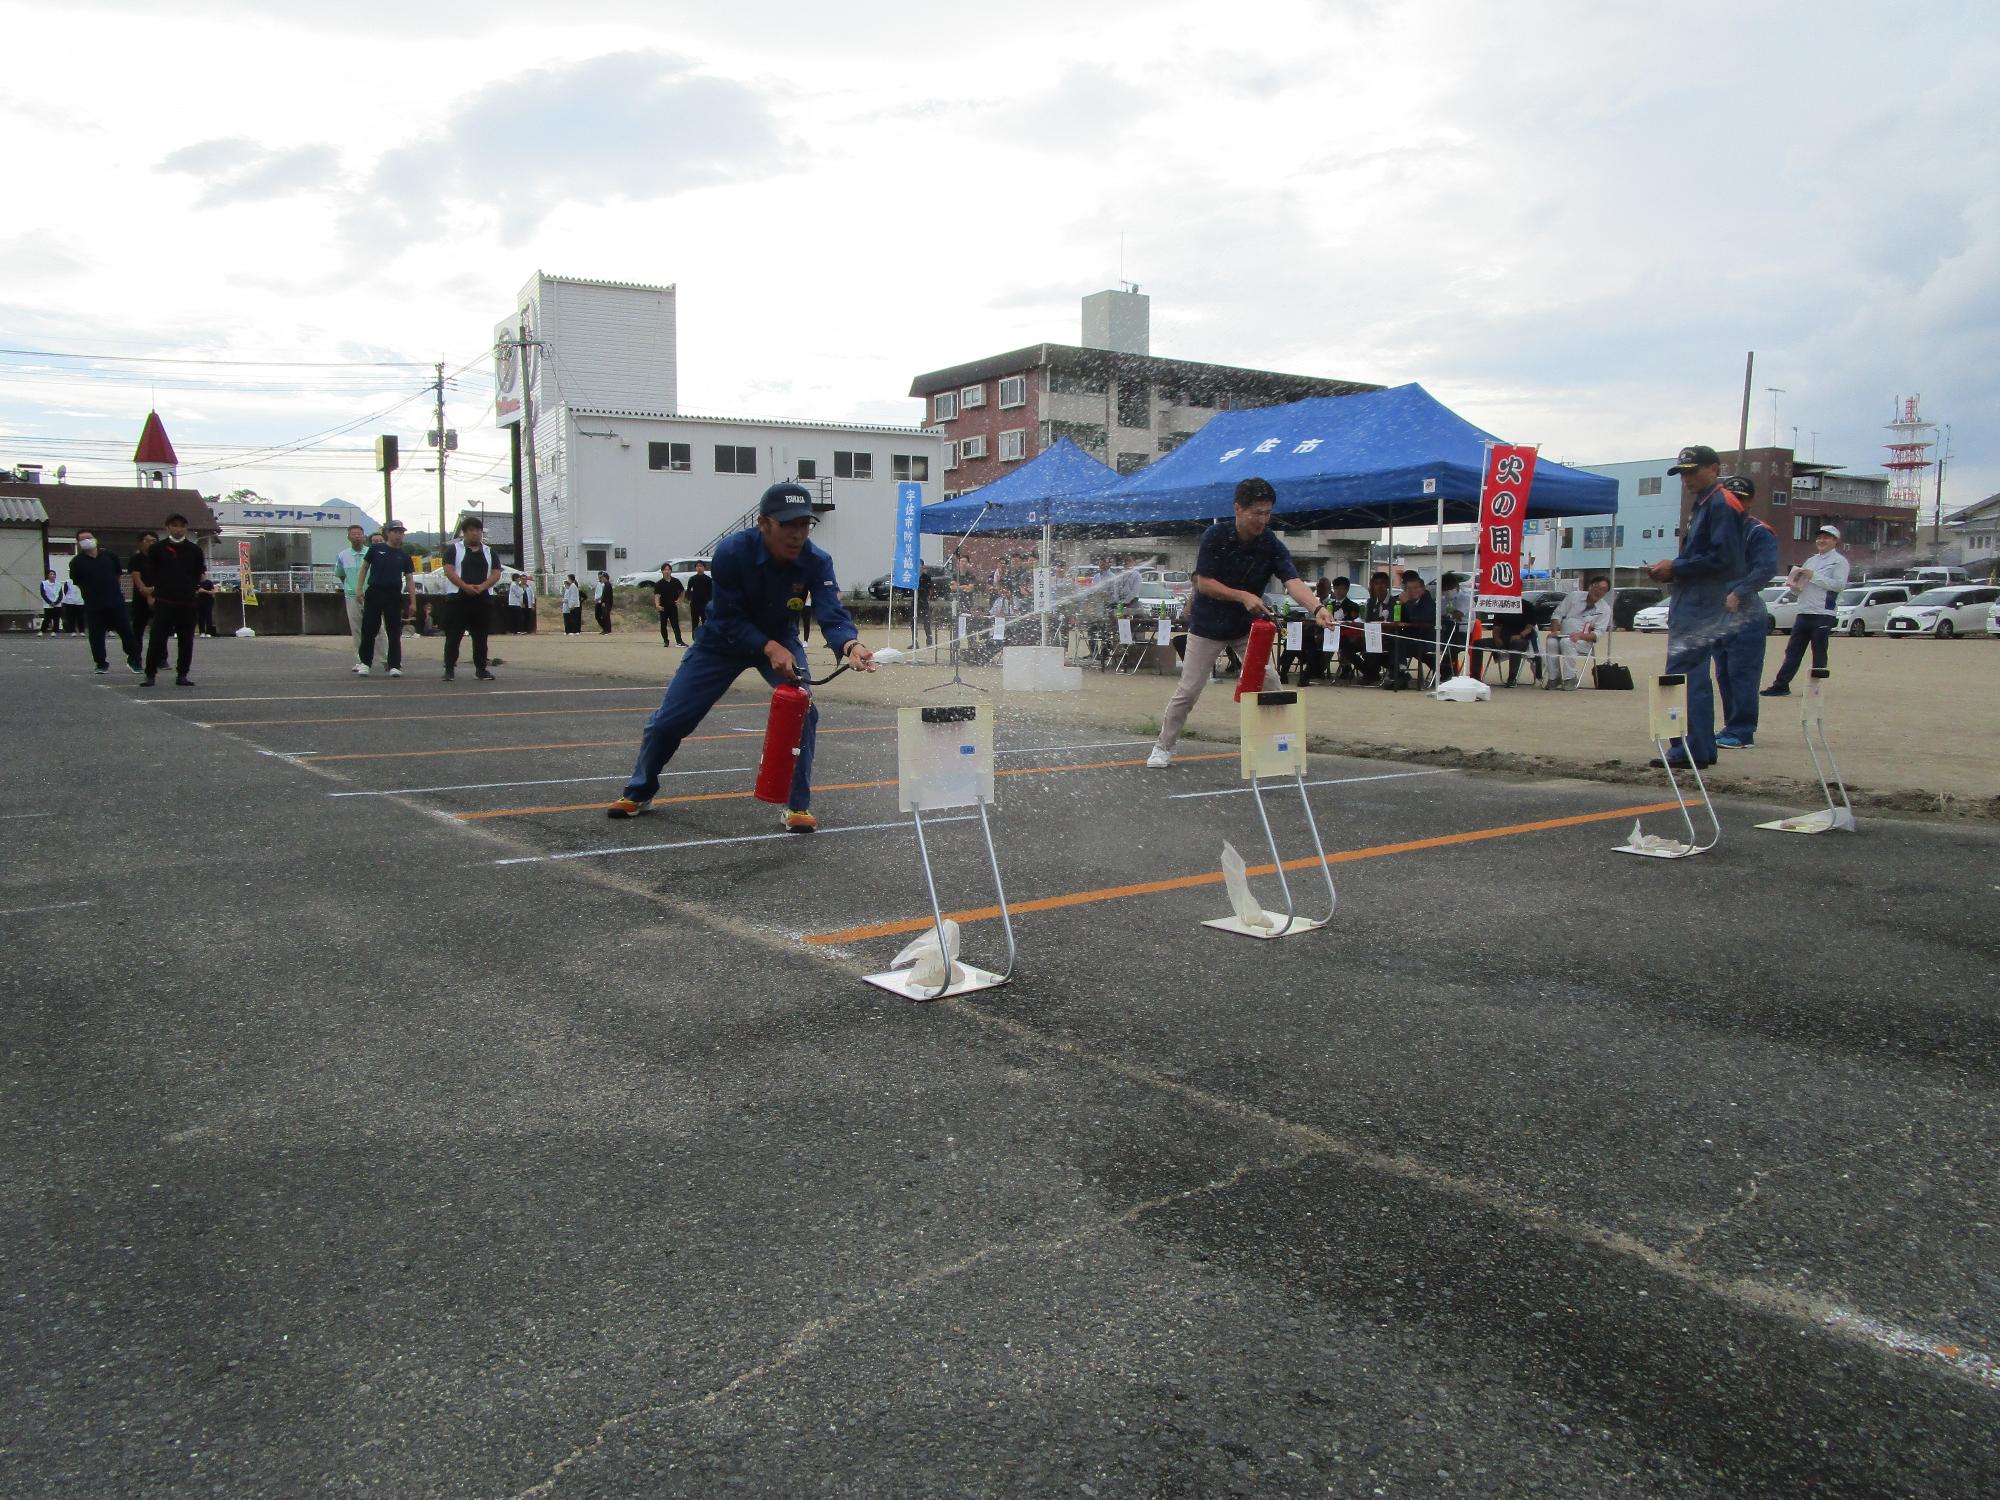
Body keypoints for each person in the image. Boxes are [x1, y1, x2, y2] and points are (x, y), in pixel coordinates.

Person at [607, 482, 876, 830]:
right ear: (764, 524)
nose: (797, 535)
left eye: (804, 525)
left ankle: (797, 806)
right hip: (721, 642)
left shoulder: (817, 561)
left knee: (802, 710)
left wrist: (850, 645)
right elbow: (728, 616)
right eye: (788, 525)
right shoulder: (732, 552)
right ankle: (640, 790)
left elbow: (830, 613)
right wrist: (767, 646)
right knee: (670, 721)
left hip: (780, 641)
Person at [1145, 476, 1334, 767]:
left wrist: (1317, 607)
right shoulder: (1215, 536)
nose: (1263, 519)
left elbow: (1292, 581)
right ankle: (1163, 746)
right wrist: (1242, 595)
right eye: (1257, 512)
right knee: (1189, 689)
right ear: (1237, 508)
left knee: (1271, 680)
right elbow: (1204, 583)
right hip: (1207, 626)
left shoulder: (1271, 543)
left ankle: (1281, 747)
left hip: (1246, 628)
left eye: (1268, 512)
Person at [1644, 444, 1747, 769]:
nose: (1686, 479)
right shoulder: (1704, 503)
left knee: (1686, 674)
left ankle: (1692, 747)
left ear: (1714, 468)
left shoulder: (1721, 503)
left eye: (1692, 471)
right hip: (1693, 597)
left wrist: (1676, 567)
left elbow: (1724, 559)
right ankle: (1693, 745)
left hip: (1703, 600)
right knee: (1687, 673)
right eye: (1682, 473)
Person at [1713, 475, 1777, 748]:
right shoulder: (1716, 531)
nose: (1734, 503)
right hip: (1718, 614)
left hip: (1746, 613)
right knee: (1724, 672)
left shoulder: (1758, 531)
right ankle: (1731, 725)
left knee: (1743, 673)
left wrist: (1738, 592)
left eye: (1739, 498)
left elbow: (1766, 569)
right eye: (1729, 498)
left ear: (1749, 501)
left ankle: (1742, 730)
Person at [1762, 523, 1849, 699]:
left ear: (1835, 541)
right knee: (1793, 650)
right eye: (1819, 537)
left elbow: (1838, 585)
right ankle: (1781, 685)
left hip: (1823, 613)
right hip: (1804, 611)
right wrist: (1794, 585)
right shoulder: (1811, 560)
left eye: (1826, 537)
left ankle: (1815, 688)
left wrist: (1813, 576)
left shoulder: (1840, 561)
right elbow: (1801, 586)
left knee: (1819, 651)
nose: (1821, 540)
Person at [142, 511, 211, 687]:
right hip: (164, 600)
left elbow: (199, 573)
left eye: (181, 526)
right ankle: (150, 674)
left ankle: (182, 674)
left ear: (186, 528)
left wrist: (199, 587)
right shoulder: (157, 549)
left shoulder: (194, 550)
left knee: (186, 639)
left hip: (187, 601)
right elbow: (151, 573)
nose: (178, 529)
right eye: (174, 525)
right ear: (167, 528)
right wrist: (152, 594)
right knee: (157, 638)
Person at [68, 530, 141, 673]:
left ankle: (134, 659)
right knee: (96, 635)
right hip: (94, 604)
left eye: (89, 538)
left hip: (115, 602)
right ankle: (101, 663)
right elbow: (77, 581)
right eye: (82, 539)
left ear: (95, 539)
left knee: (126, 632)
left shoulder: (110, 556)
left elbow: (118, 575)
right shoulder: (76, 562)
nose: (86, 541)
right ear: (78, 543)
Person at [441, 517, 502, 681]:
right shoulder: (454, 550)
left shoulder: (490, 552)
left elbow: (496, 573)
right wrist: (465, 586)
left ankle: (481, 669)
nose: (475, 533)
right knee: (454, 635)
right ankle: (449, 669)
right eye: (471, 530)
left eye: (478, 530)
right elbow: (449, 571)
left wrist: (482, 587)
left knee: (481, 636)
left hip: (482, 599)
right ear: (464, 532)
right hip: (458, 599)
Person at [356, 520, 416, 677]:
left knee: (394, 631)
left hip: (394, 595)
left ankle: (395, 664)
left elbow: (409, 579)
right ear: (388, 533)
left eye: (401, 532)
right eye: (395, 531)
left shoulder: (404, 556)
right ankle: (365, 663)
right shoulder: (376, 549)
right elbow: (364, 568)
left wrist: (413, 601)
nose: (398, 535)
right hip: (375, 592)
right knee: (369, 629)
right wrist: (359, 589)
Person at [1541, 575, 1612, 688]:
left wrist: (1581, 636)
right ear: (1590, 586)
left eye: (1603, 590)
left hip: (1583, 642)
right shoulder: (1574, 596)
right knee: (1551, 641)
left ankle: (1570, 678)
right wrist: (1554, 631)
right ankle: (1554, 678)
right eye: (1596, 587)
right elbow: (1557, 614)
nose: (1598, 591)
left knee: (1567, 642)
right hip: (1563, 636)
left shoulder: (1605, 609)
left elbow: (1598, 634)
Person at [1383, 572, 1437, 689]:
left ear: (1422, 589)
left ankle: (1400, 674)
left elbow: (1419, 619)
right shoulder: (1403, 600)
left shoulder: (1429, 602)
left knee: (1398, 641)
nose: (1413, 591)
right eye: (1409, 588)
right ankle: (1396, 672)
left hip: (1426, 639)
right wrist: (1399, 605)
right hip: (1409, 637)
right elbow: (1393, 619)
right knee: (1389, 640)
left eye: (1416, 588)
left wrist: (1407, 603)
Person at [333, 522, 368, 662]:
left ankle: (385, 660)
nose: (357, 537)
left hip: (370, 596)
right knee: (356, 629)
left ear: (364, 536)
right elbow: (340, 574)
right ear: (348, 537)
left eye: (359, 534)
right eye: (354, 534)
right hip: (352, 596)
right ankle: (360, 660)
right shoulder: (342, 555)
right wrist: (350, 587)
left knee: (379, 629)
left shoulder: (371, 553)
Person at [128, 531, 157, 645]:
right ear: (140, 543)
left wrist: (154, 591)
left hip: (158, 596)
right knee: (137, 629)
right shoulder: (136, 558)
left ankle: (161, 658)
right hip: (140, 596)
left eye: (154, 541)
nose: (151, 543)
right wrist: (145, 590)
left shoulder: (161, 558)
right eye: (148, 541)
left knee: (159, 629)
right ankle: (135, 658)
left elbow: (166, 576)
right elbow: (136, 576)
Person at [652, 564, 686, 646]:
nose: (667, 571)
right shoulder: (659, 584)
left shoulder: (676, 581)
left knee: (675, 625)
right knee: (663, 625)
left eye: (668, 570)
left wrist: (679, 601)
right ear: (662, 571)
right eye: (665, 570)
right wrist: (657, 605)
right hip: (663, 607)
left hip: (673, 606)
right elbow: (657, 595)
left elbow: (682, 591)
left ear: (671, 571)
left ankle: (679, 641)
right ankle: (666, 641)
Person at [686, 560, 712, 633]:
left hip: (705, 603)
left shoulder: (708, 579)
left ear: (704, 568)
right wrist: (689, 600)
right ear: (695, 568)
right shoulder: (692, 579)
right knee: (695, 622)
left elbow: (711, 592)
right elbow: (688, 590)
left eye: (701, 566)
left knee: (705, 621)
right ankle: (695, 638)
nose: (699, 568)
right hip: (695, 603)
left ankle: (705, 637)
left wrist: (710, 602)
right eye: (697, 566)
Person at [39, 570, 63, 634]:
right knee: (47, 618)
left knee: (56, 618)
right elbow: (43, 594)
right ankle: (42, 630)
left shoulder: (58, 584)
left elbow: (60, 595)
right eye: (51, 574)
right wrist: (50, 602)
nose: (52, 576)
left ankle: (54, 631)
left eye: (53, 574)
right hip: (48, 604)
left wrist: (56, 602)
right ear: (48, 575)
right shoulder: (44, 583)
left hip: (57, 604)